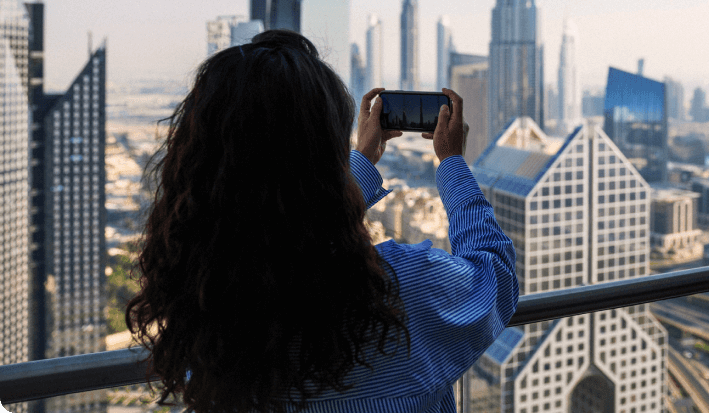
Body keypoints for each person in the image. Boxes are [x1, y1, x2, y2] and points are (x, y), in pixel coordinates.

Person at [126, 29, 518, 413]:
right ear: (325, 156)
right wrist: (452, 164)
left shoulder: (208, 307)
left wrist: (362, 161)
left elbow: (287, 222)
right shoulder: (402, 291)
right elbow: (496, 275)